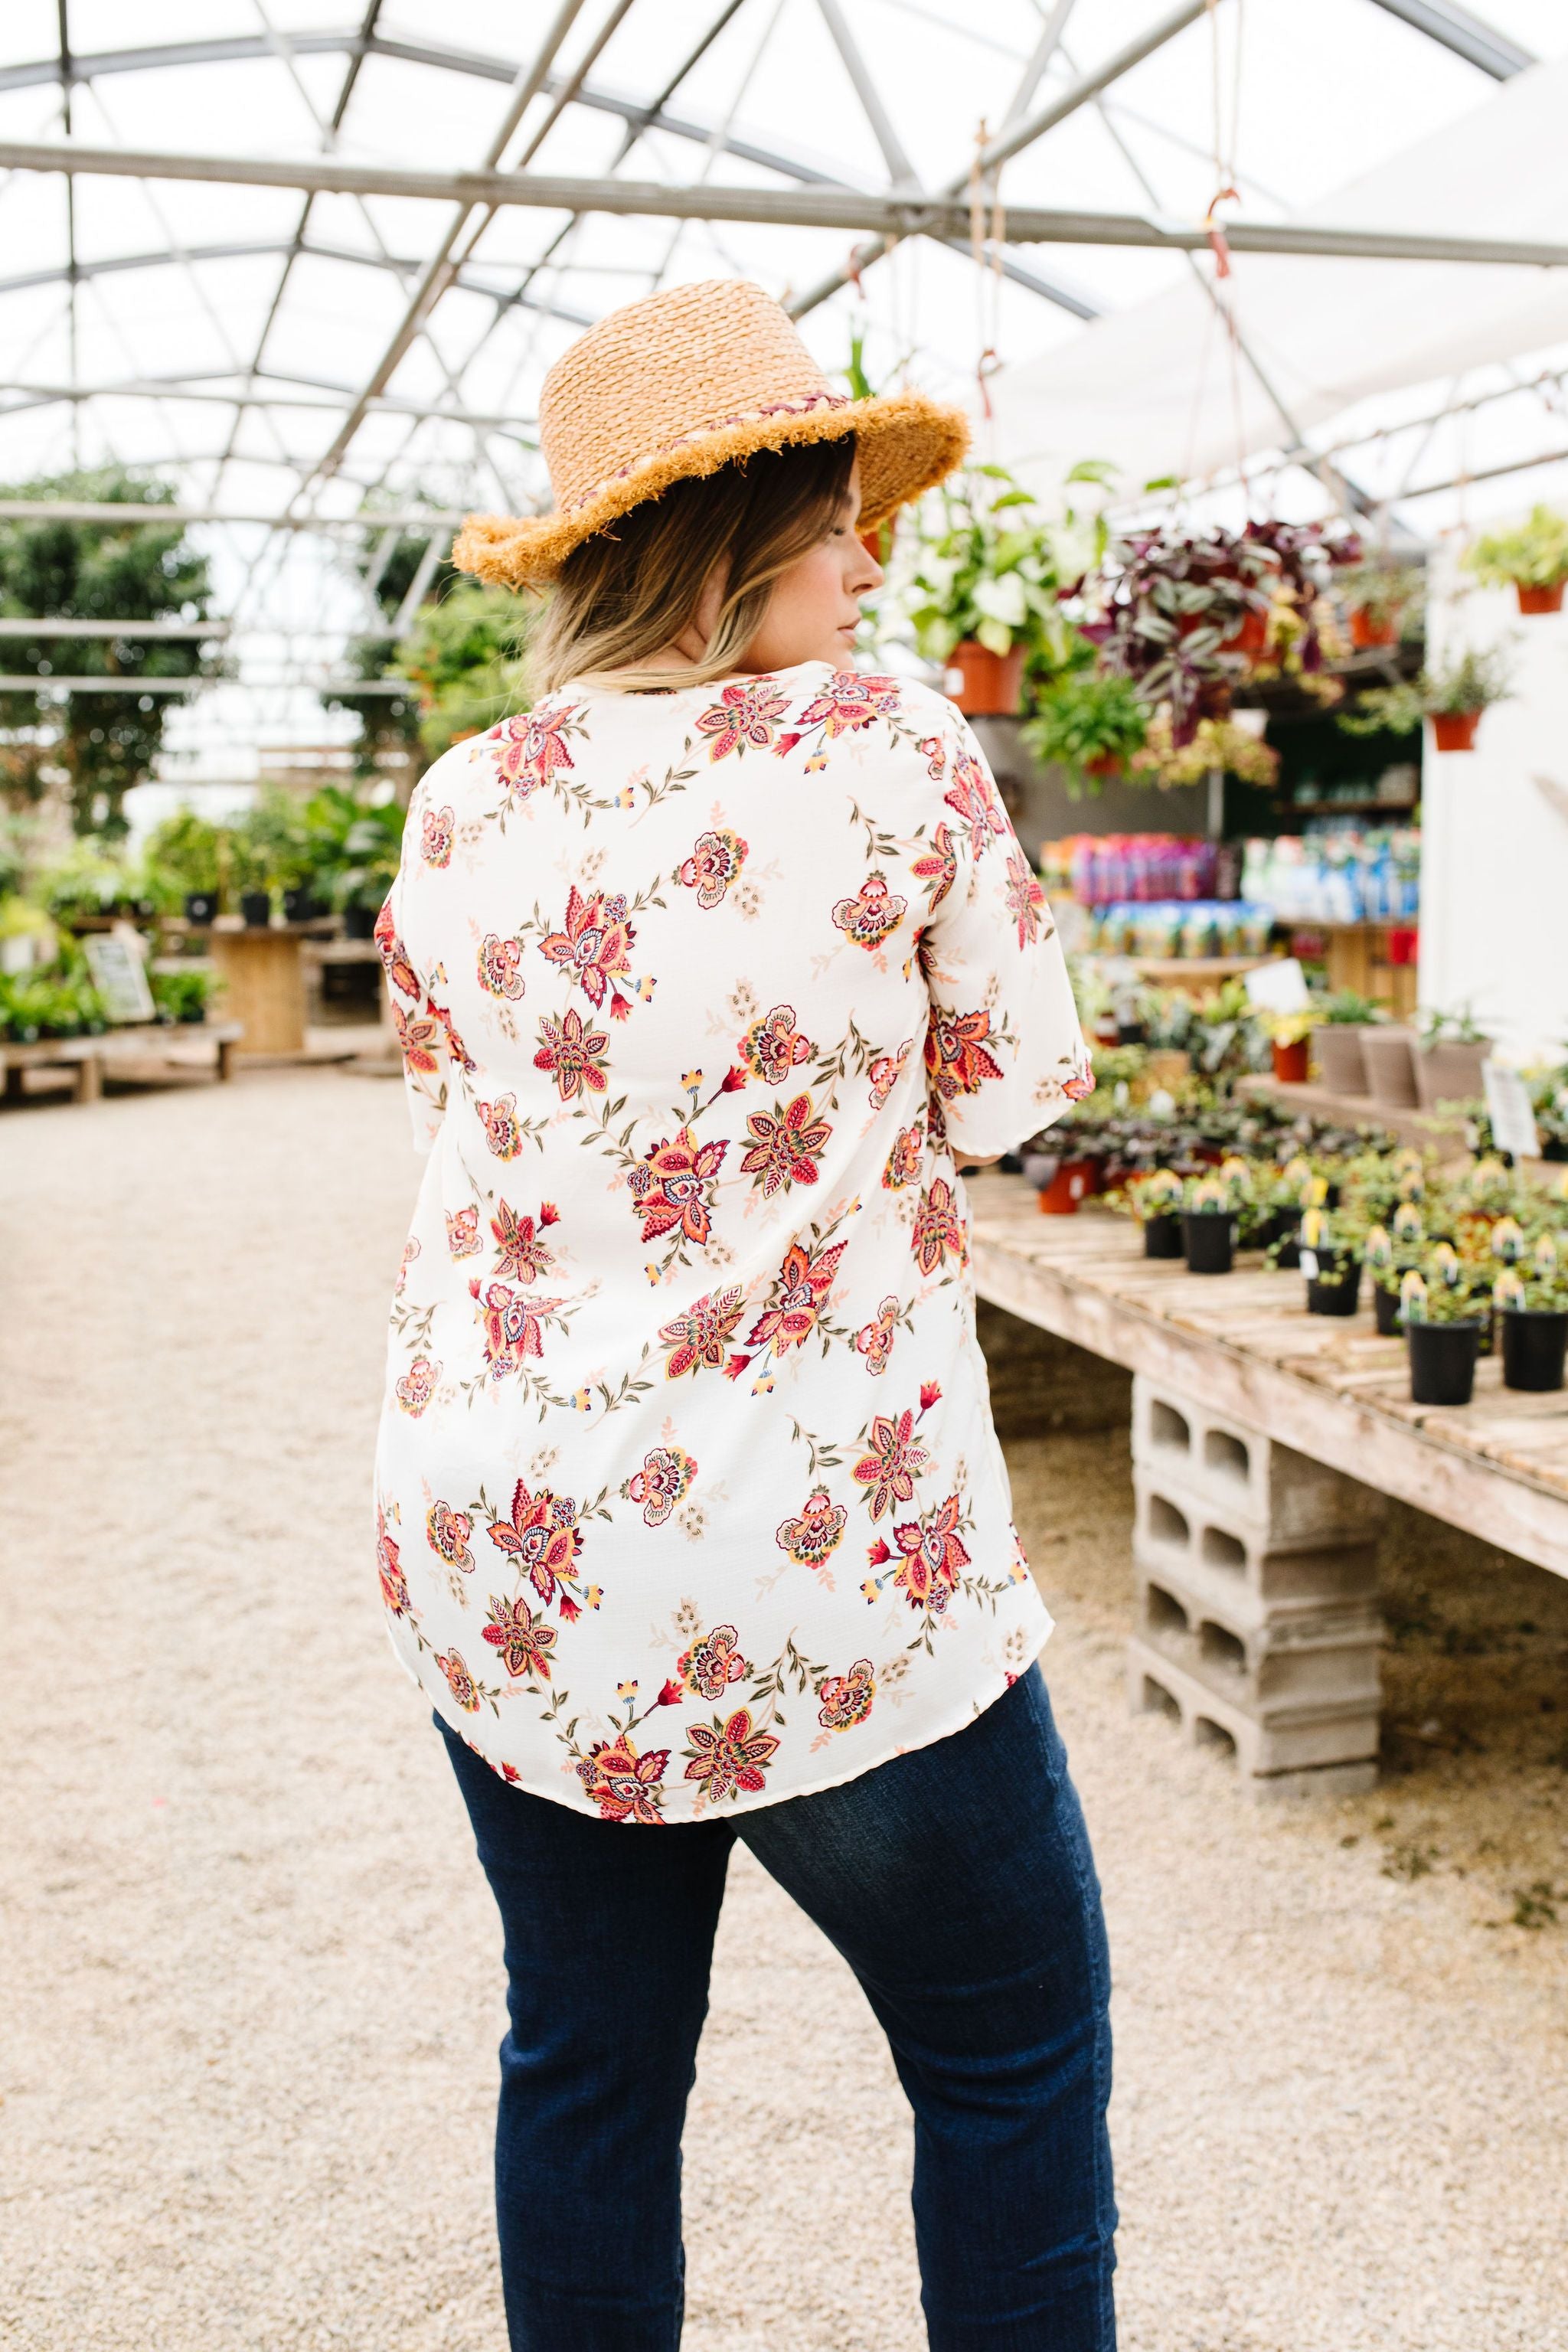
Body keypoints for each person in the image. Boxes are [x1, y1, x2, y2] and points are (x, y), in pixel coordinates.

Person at [374, 278, 1116, 2351]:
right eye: (841, 514)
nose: (875, 558)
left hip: (512, 1544)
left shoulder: (460, 802)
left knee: (589, 2070)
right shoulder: (890, 746)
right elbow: (1022, 1087)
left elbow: (465, 1105)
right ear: (732, 533)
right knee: (1008, 2060)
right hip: (817, 1548)